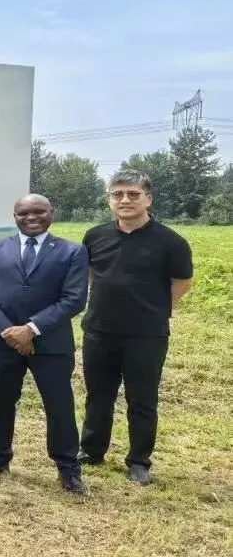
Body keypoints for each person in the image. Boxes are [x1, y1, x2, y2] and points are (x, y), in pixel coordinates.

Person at [78, 170, 193, 485]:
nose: (125, 200)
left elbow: (182, 282)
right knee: (98, 395)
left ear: (148, 199)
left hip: (146, 334)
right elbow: (89, 274)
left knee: (142, 400)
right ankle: (91, 451)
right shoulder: (94, 236)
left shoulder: (170, 241)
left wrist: (153, 307)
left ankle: (139, 461)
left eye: (133, 194)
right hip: (99, 330)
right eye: (117, 194)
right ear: (109, 200)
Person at [0, 194, 89, 495]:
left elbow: (74, 299)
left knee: (59, 406)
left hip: (51, 345)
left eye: (39, 211)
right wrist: (11, 332)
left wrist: (31, 329)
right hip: (1, 343)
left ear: (51, 213)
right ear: (15, 217)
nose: (31, 217)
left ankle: (68, 468)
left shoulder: (72, 251)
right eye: (23, 213)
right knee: (0, 402)